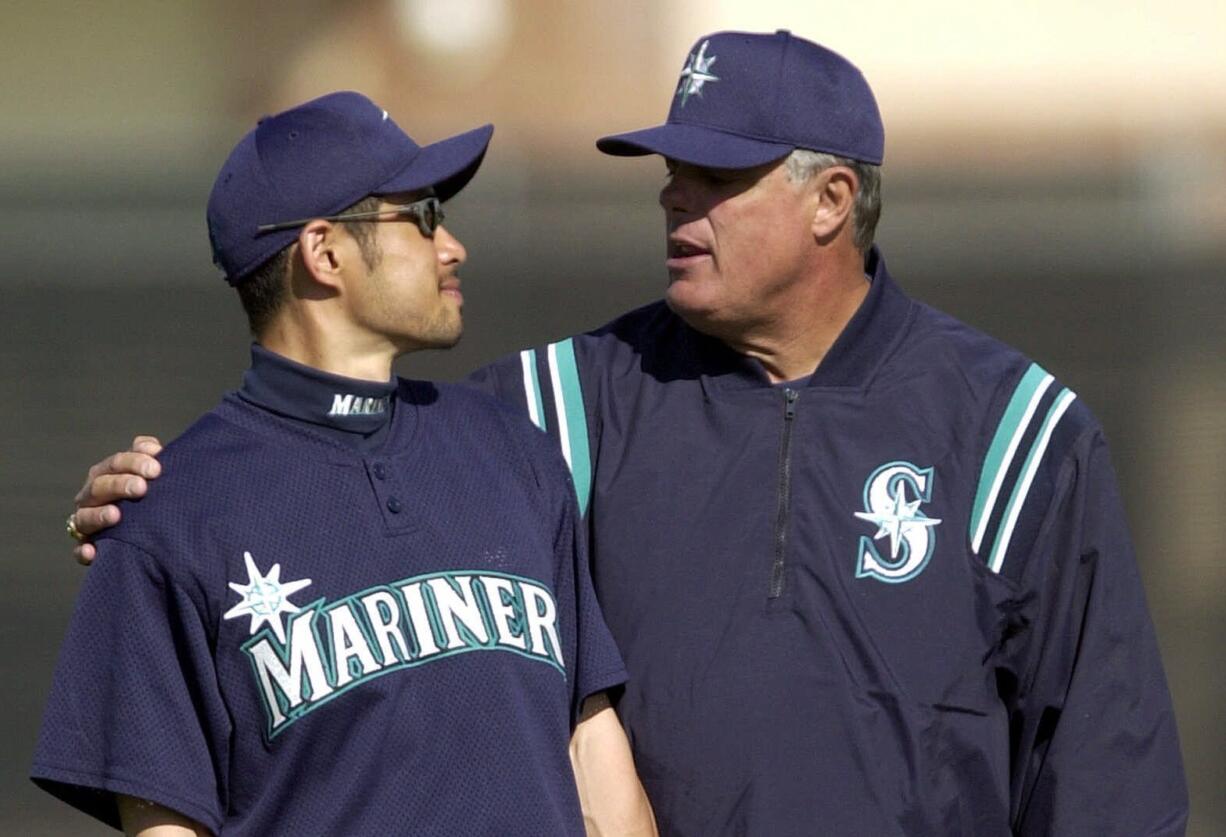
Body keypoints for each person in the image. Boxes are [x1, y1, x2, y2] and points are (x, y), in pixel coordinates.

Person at [67, 31, 1188, 836]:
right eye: (668, 172)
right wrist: (146, 501)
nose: (671, 199)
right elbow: (328, 453)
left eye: (715, 177)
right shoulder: (549, 411)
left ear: (830, 200)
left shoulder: (1014, 429)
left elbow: (1104, 770)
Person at [36, 91, 656, 836]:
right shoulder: (168, 517)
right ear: (324, 252)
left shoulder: (509, 449)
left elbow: (592, 749)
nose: (451, 244)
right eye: (423, 215)